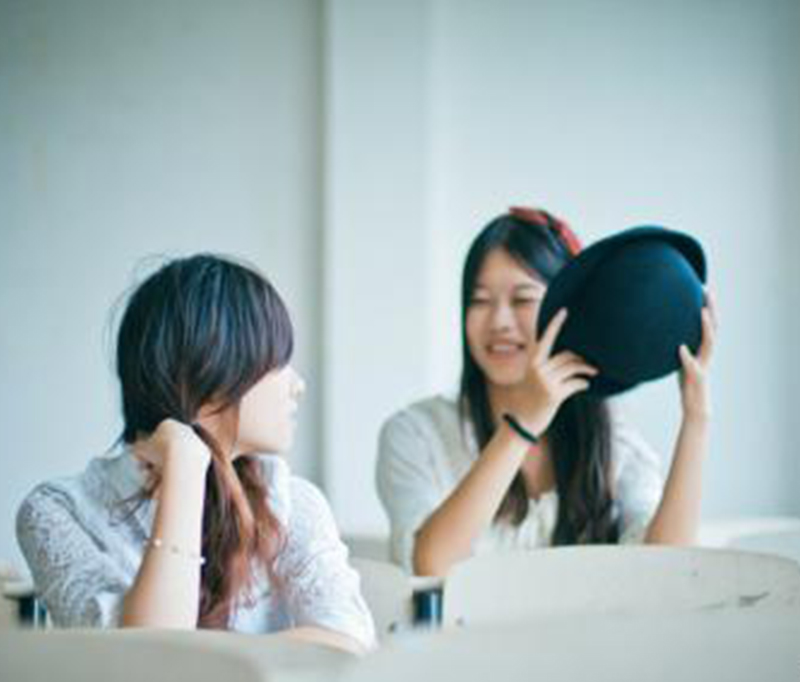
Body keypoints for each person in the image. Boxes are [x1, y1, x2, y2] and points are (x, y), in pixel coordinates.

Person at [17, 254, 375, 653]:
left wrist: (210, 658)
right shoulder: (58, 510)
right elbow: (145, 662)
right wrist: (185, 470)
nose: (298, 385)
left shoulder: (293, 503)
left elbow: (348, 643)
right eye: (278, 363)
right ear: (212, 372)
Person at [376, 208, 716, 577]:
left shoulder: (614, 438)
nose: (499, 322)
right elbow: (433, 567)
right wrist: (521, 427)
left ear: (563, 312)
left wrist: (696, 421)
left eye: (522, 300)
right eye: (480, 301)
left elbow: (666, 570)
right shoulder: (417, 434)